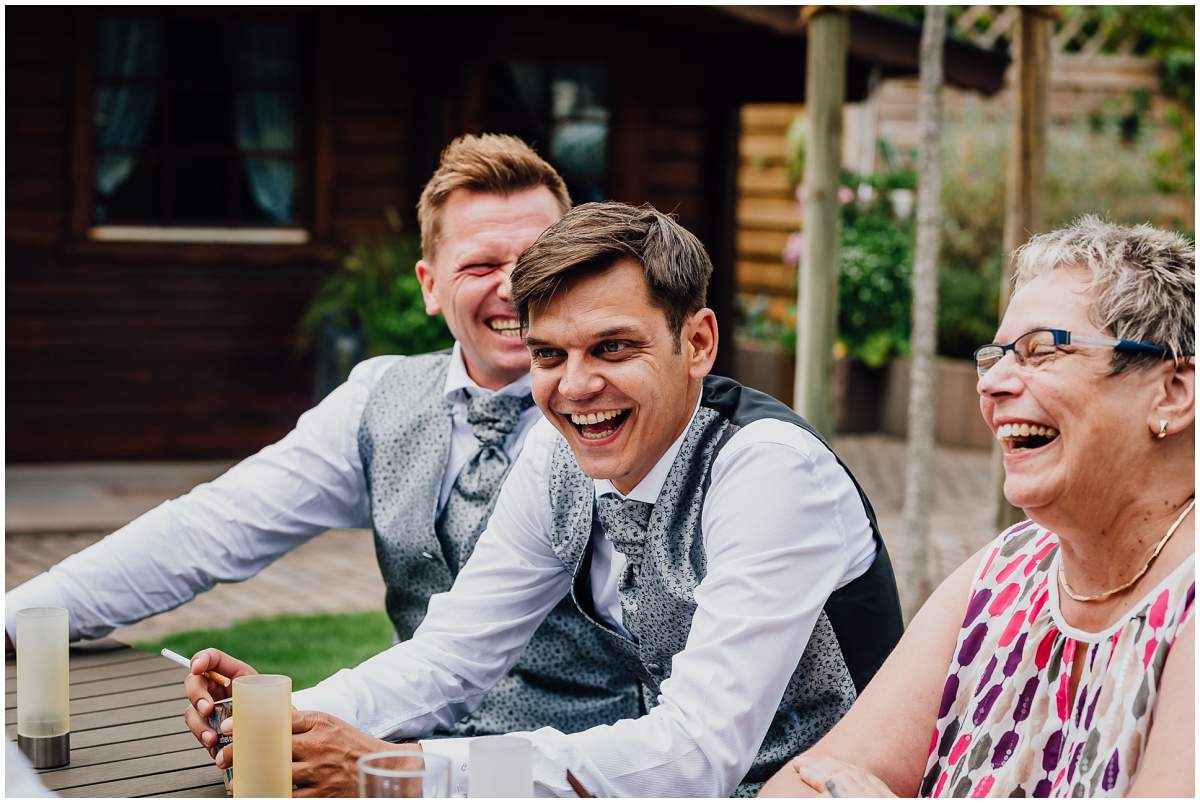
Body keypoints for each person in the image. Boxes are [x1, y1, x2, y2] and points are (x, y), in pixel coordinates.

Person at [184, 202, 905, 797]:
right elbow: (454, 654)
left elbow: (694, 751)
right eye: (549, 354)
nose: (575, 386)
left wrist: (402, 773)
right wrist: (290, 714)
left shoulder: (769, 472)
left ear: (699, 341)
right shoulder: (558, 451)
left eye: (614, 347)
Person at [5, 134, 641, 741]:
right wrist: (18, 618)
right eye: (480, 265)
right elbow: (209, 529)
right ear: (429, 286)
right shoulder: (378, 401)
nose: (511, 286)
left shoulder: (622, 417)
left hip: (580, 768)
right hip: (397, 752)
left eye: (533, 262)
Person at [760, 217, 1194, 798]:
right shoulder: (1008, 570)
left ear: (1172, 392)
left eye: (1041, 352)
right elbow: (799, 785)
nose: (991, 385)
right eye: (995, 357)